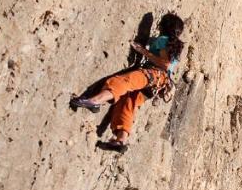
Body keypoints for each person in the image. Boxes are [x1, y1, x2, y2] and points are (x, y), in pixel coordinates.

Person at [70, 13, 186, 152]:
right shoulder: (174, 46)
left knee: (124, 81)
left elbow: (165, 64)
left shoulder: (163, 40)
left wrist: (143, 51)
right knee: (128, 102)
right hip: (159, 83)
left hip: (154, 74)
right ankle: (120, 140)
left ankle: (95, 101)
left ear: (164, 26)